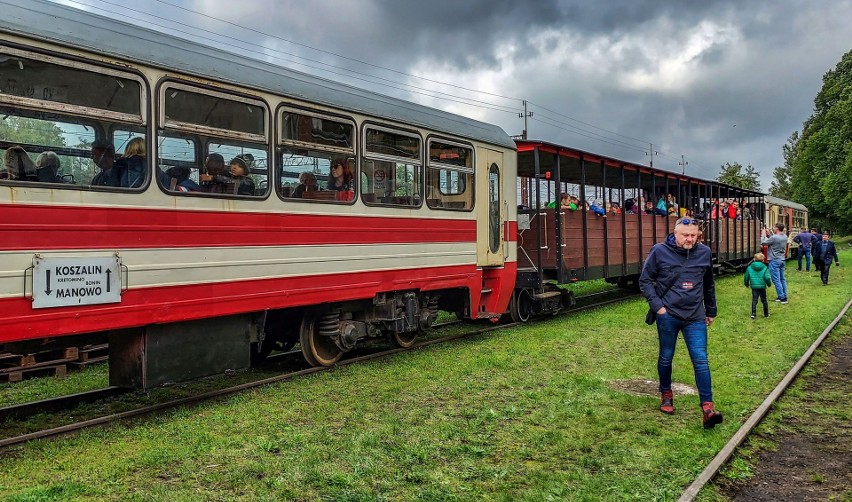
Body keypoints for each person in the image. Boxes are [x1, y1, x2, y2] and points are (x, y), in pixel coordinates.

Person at [639, 217, 722, 429]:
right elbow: (645, 280)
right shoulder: (659, 251)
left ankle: (708, 407)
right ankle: (666, 394)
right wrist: (659, 308)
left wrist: (711, 310)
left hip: (695, 316)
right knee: (666, 356)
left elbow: (708, 283)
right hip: (668, 314)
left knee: (701, 359)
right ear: (675, 233)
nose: (690, 239)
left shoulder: (703, 252)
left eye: (694, 235)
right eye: (686, 235)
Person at [761, 223, 789, 304]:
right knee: (782, 279)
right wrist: (769, 234)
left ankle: (782, 298)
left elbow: (764, 243)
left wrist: (763, 235)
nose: (773, 228)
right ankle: (784, 295)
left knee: (776, 280)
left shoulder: (774, 237)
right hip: (782, 259)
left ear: (777, 228)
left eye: (774, 227)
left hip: (774, 260)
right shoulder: (785, 236)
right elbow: (774, 240)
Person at [744, 252, 772, 319]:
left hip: (754, 287)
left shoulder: (749, 268)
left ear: (754, 259)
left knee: (754, 300)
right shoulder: (765, 267)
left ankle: (753, 314)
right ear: (763, 260)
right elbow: (767, 278)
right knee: (764, 300)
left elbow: (746, 277)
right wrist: (769, 284)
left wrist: (746, 284)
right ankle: (766, 314)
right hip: (762, 287)